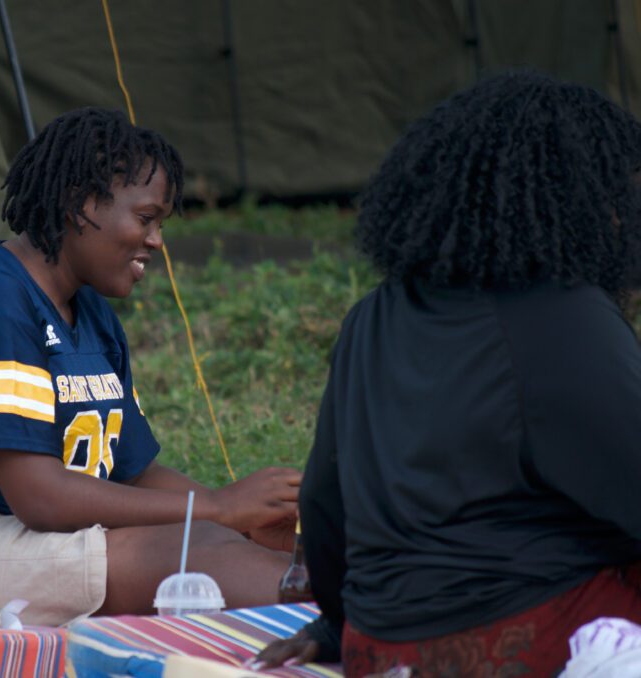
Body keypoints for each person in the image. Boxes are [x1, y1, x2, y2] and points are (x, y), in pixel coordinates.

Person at [253, 71, 641, 676]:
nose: (623, 218)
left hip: (378, 649)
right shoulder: (566, 315)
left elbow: (325, 507)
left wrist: (336, 626)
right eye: (614, 194)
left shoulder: (368, 320)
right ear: (576, 198)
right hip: (529, 634)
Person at [0, 107, 301, 627]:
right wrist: (216, 510)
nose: (157, 241)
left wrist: (241, 519)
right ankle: (351, 619)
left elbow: (135, 472)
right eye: (146, 218)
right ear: (80, 204)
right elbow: (41, 497)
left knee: (214, 541)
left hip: (29, 541)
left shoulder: (90, 310)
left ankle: (334, 597)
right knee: (194, 550)